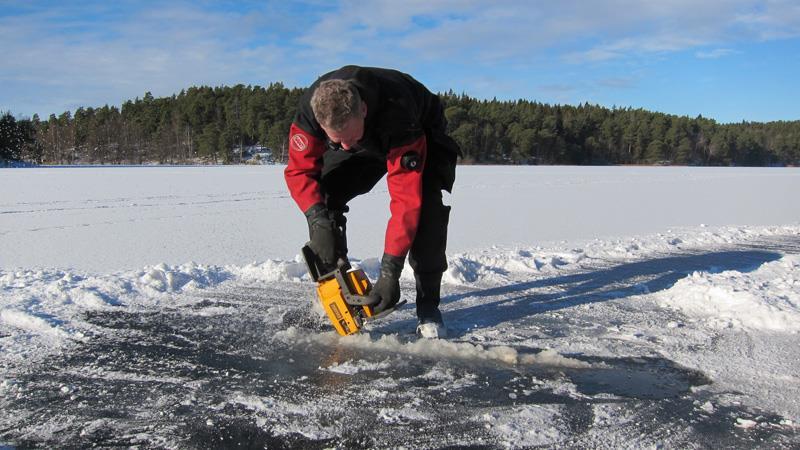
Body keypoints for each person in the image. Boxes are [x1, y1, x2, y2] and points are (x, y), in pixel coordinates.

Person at [284, 65, 461, 338]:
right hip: (368, 136)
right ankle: (338, 291)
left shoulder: (398, 115)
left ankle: (428, 308)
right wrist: (318, 220)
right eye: (337, 141)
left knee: (426, 211)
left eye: (349, 139)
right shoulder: (312, 112)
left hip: (420, 128)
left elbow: (405, 201)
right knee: (325, 195)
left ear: (363, 110)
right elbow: (299, 172)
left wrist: (390, 271)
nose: (344, 148)